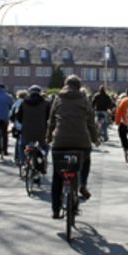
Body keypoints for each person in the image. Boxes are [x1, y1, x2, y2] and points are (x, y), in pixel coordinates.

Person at [46, 75, 100, 218]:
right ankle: (82, 184)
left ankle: (56, 211)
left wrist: (48, 138)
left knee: (57, 176)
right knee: (86, 159)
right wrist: (95, 139)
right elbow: (90, 123)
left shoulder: (58, 99)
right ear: (79, 86)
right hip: (81, 142)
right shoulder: (84, 100)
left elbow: (51, 121)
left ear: (65, 85)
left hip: (60, 142)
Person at [16, 85, 51, 178]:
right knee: (45, 146)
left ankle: (23, 163)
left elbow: (19, 117)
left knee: (21, 145)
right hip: (41, 131)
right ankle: (43, 159)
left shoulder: (24, 103)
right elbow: (49, 117)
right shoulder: (46, 103)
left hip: (27, 131)